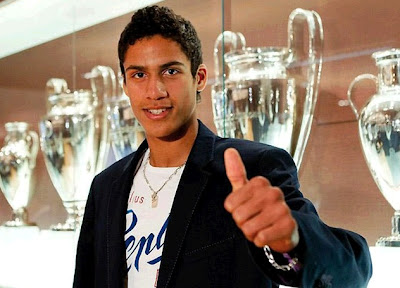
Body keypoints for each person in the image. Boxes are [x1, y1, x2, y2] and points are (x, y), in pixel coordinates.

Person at [73, 5, 372, 288]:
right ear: (125, 84)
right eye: (139, 75)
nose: (155, 91)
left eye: (171, 71)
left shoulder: (254, 166)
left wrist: (293, 243)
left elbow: (350, 268)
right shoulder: (105, 187)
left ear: (199, 77)